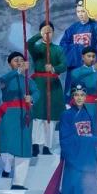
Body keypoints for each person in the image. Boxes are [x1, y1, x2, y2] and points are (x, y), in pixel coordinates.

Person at [54, 80, 97, 194]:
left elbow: (95, 135)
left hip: (88, 157)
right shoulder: (66, 115)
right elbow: (65, 138)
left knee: (88, 185)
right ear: (72, 97)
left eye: (82, 95)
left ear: (86, 97)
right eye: (76, 95)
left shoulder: (90, 114)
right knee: (71, 184)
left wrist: (92, 141)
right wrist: (87, 140)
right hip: (73, 156)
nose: (79, 98)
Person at [0, 50, 36, 187]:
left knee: (23, 147)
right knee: (7, 145)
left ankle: (18, 183)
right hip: (9, 115)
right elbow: (4, 82)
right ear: (10, 64)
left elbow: (36, 92)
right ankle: (7, 166)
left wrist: (32, 98)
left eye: (21, 60)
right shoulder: (5, 79)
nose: (19, 62)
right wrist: (19, 71)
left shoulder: (29, 81)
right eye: (16, 60)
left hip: (24, 115)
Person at [26, 19, 67, 154]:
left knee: (51, 117)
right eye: (44, 32)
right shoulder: (37, 48)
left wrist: (54, 68)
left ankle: (47, 146)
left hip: (53, 85)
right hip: (39, 84)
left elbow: (64, 65)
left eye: (50, 32)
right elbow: (29, 44)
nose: (47, 34)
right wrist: (40, 34)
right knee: (38, 116)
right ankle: (35, 144)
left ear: (54, 33)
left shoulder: (58, 49)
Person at [67, 44, 97, 148]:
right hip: (79, 106)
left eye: (93, 56)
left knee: (96, 131)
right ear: (82, 57)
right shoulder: (77, 72)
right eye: (89, 56)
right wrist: (92, 69)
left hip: (95, 107)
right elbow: (75, 75)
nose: (91, 59)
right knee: (80, 131)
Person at [59, 0, 97, 68]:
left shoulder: (96, 27)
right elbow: (62, 45)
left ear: (89, 11)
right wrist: (76, 49)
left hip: (90, 65)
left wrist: (95, 59)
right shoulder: (72, 28)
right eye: (78, 11)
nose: (80, 14)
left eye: (83, 11)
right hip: (75, 65)